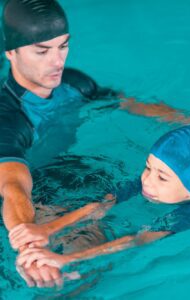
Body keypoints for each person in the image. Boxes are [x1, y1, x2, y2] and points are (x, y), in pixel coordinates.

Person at [13, 118, 190, 270]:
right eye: (148, 167)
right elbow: (104, 202)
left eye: (162, 177)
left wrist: (68, 259)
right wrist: (49, 228)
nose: (147, 181)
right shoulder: (159, 179)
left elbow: (137, 239)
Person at [0, 0, 120, 288]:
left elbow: (131, 104)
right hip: (25, 198)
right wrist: (27, 242)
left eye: (63, 46)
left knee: (90, 259)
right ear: (10, 53)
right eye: (42, 51)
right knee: (78, 258)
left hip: (66, 175)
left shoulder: (73, 84)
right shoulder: (8, 119)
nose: (57, 62)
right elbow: (13, 187)